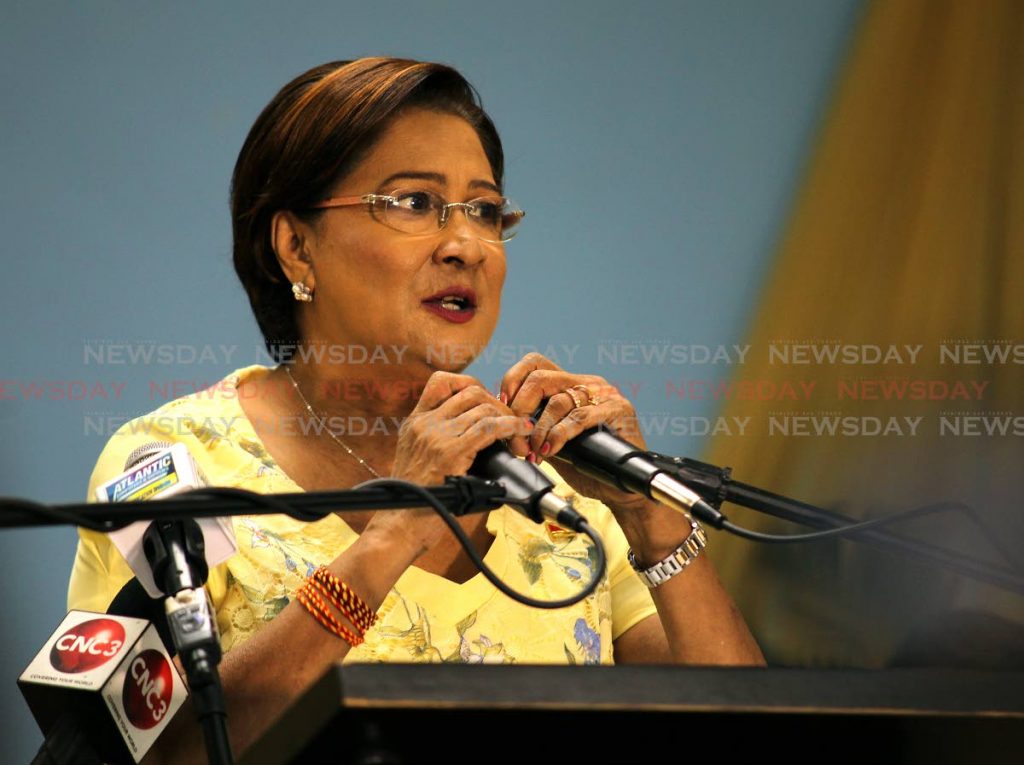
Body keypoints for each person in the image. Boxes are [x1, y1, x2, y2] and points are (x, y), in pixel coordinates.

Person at [68, 57, 764, 761]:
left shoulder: (557, 497)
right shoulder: (174, 461)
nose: (465, 245)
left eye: (485, 211)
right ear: (296, 246)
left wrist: (652, 521)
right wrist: (391, 536)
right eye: (413, 203)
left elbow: (747, 742)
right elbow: (152, 753)